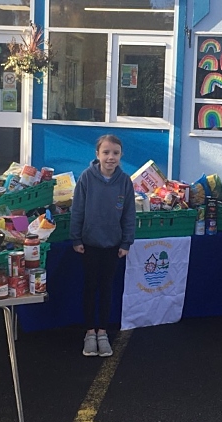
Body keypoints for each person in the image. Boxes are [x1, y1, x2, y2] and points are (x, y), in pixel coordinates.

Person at [70, 134, 136, 357]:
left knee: (107, 289)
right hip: (89, 244)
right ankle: (89, 332)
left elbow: (129, 214)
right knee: (90, 288)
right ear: (97, 154)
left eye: (115, 153)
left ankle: (103, 332)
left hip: (112, 245)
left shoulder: (125, 182)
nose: (111, 157)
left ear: (121, 155)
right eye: (106, 152)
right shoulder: (86, 178)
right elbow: (77, 210)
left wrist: (126, 241)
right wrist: (76, 238)